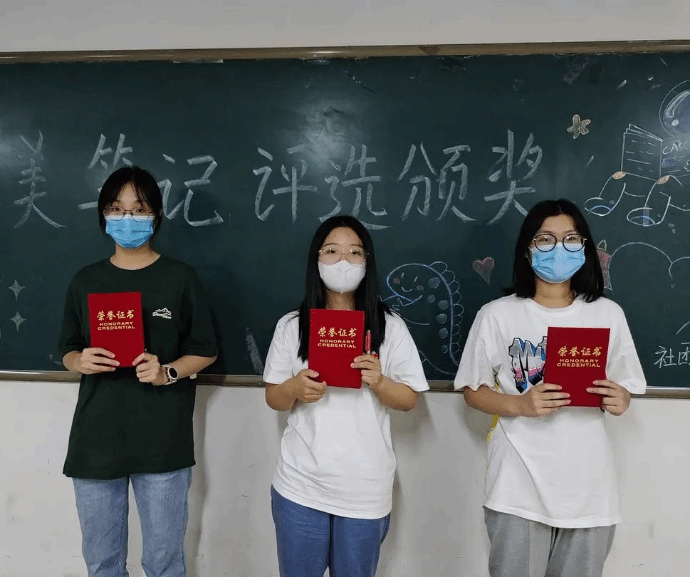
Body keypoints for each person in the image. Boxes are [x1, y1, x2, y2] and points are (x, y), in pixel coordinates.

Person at [454, 198, 647, 577]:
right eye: (545, 239)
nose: (559, 248)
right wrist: (521, 405)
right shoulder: (498, 314)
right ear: (527, 250)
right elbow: (473, 390)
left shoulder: (607, 314)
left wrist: (620, 398)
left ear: (585, 248)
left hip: (589, 491)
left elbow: (625, 387)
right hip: (516, 488)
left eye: (571, 238)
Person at [57, 166, 218, 577]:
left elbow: (205, 351)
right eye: (117, 208)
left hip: (163, 440)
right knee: (102, 563)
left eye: (139, 209)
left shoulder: (180, 278)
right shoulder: (85, 280)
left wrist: (168, 373)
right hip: (96, 440)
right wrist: (79, 361)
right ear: (103, 214)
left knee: (163, 563)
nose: (127, 218)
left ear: (156, 216)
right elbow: (67, 349)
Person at [262, 214, 429, 577]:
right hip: (300, 484)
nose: (343, 261)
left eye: (354, 252)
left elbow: (409, 399)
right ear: (316, 259)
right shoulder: (292, 325)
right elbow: (274, 397)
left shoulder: (389, 326)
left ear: (367, 262)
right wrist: (294, 388)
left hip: (364, 488)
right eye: (332, 251)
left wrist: (379, 381)